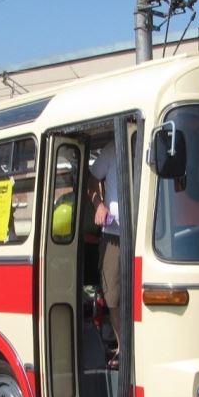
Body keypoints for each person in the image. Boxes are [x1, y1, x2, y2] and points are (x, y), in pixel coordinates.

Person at [88, 142, 122, 369]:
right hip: (115, 235)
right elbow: (90, 181)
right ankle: (123, 346)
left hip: (151, 235)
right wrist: (99, 205)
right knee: (113, 295)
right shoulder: (111, 150)